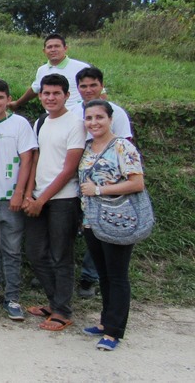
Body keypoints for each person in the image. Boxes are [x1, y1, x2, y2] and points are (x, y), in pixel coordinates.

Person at [78, 100, 146, 351]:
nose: (94, 122)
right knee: (104, 274)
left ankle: (115, 331)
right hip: (92, 220)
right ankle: (106, 322)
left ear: (110, 119)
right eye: (89, 118)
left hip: (118, 219)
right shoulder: (88, 147)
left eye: (99, 117)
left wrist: (99, 189)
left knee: (117, 276)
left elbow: (137, 183)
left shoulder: (122, 147)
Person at [22, 74, 86, 332]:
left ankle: (63, 311)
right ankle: (55, 302)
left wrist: (42, 199)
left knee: (62, 256)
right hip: (38, 198)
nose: (50, 98)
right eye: (46, 93)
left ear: (67, 96)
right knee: (36, 253)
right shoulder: (40, 122)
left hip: (64, 200)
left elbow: (69, 170)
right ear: (40, 96)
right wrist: (29, 195)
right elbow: (35, 161)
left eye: (56, 93)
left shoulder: (76, 124)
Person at [71, 66, 133, 299]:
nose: (88, 90)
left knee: (101, 233)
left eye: (93, 85)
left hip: (108, 191)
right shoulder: (73, 113)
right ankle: (66, 273)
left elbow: (126, 150)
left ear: (101, 85)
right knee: (78, 230)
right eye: (83, 86)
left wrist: (104, 187)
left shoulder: (115, 112)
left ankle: (89, 278)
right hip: (78, 185)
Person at [0, 79, 38, 320]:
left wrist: (20, 192)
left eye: (0, 98)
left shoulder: (19, 124)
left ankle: (12, 296)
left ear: (8, 99)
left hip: (9, 199)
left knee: (11, 250)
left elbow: (27, 160)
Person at [8, 34, 89, 112]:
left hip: (78, 115)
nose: (53, 50)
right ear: (44, 51)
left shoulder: (81, 68)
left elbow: (99, 91)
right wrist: (17, 103)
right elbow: (35, 89)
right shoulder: (42, 70)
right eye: (49, 47)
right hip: (52, 116)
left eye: (57, 46)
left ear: (65, 48)